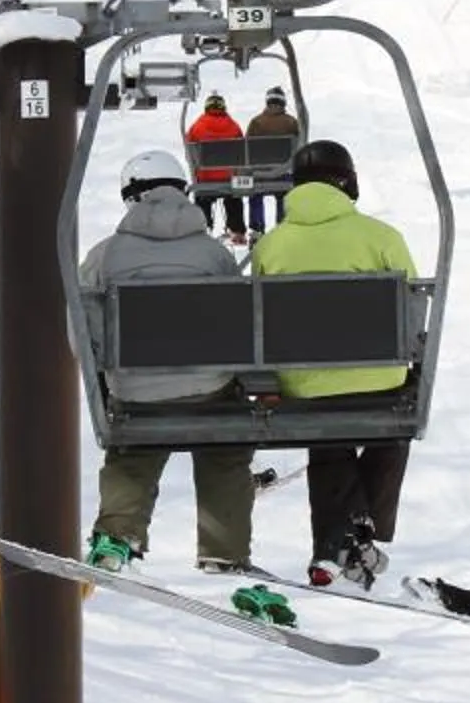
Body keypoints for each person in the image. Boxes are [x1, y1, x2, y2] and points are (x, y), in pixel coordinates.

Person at [250, 138, 448, 603]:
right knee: (394, 423)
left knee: (329, 437)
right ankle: (359, 532)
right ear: (348, 182)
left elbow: (256, 319)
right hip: (378, 378)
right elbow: (412, 312)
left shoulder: (271, 245)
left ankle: (336, 543)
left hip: (304, 383)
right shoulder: (381, 237)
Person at [78, 149, 256, 574]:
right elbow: (239, 322)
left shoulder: (105, 256)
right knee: (225, 452)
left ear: (132, 196)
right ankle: (223, 550)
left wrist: (108, 376)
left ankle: (118, 534)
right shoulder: (214, 254)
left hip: (136, 392)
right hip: (209, 389)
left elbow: (82, 329)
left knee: (133, 452)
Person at [183, 91, 248, 243]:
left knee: (202, 198)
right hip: (229, 179)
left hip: (205, 179)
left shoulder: (197, 127)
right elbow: (242, 153)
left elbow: (190, 155)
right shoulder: (234, 126)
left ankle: (202, 228)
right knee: (234, 198)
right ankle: (237, 230)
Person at [242, 86, 301, 235]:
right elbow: (299, 148)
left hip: (260, 175)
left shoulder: (256, 122)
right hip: (283, 174)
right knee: (284, 194)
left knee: (255, 194)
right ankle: (283, 226)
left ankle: (257, 228)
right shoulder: (291, 122)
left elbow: (246, 149)